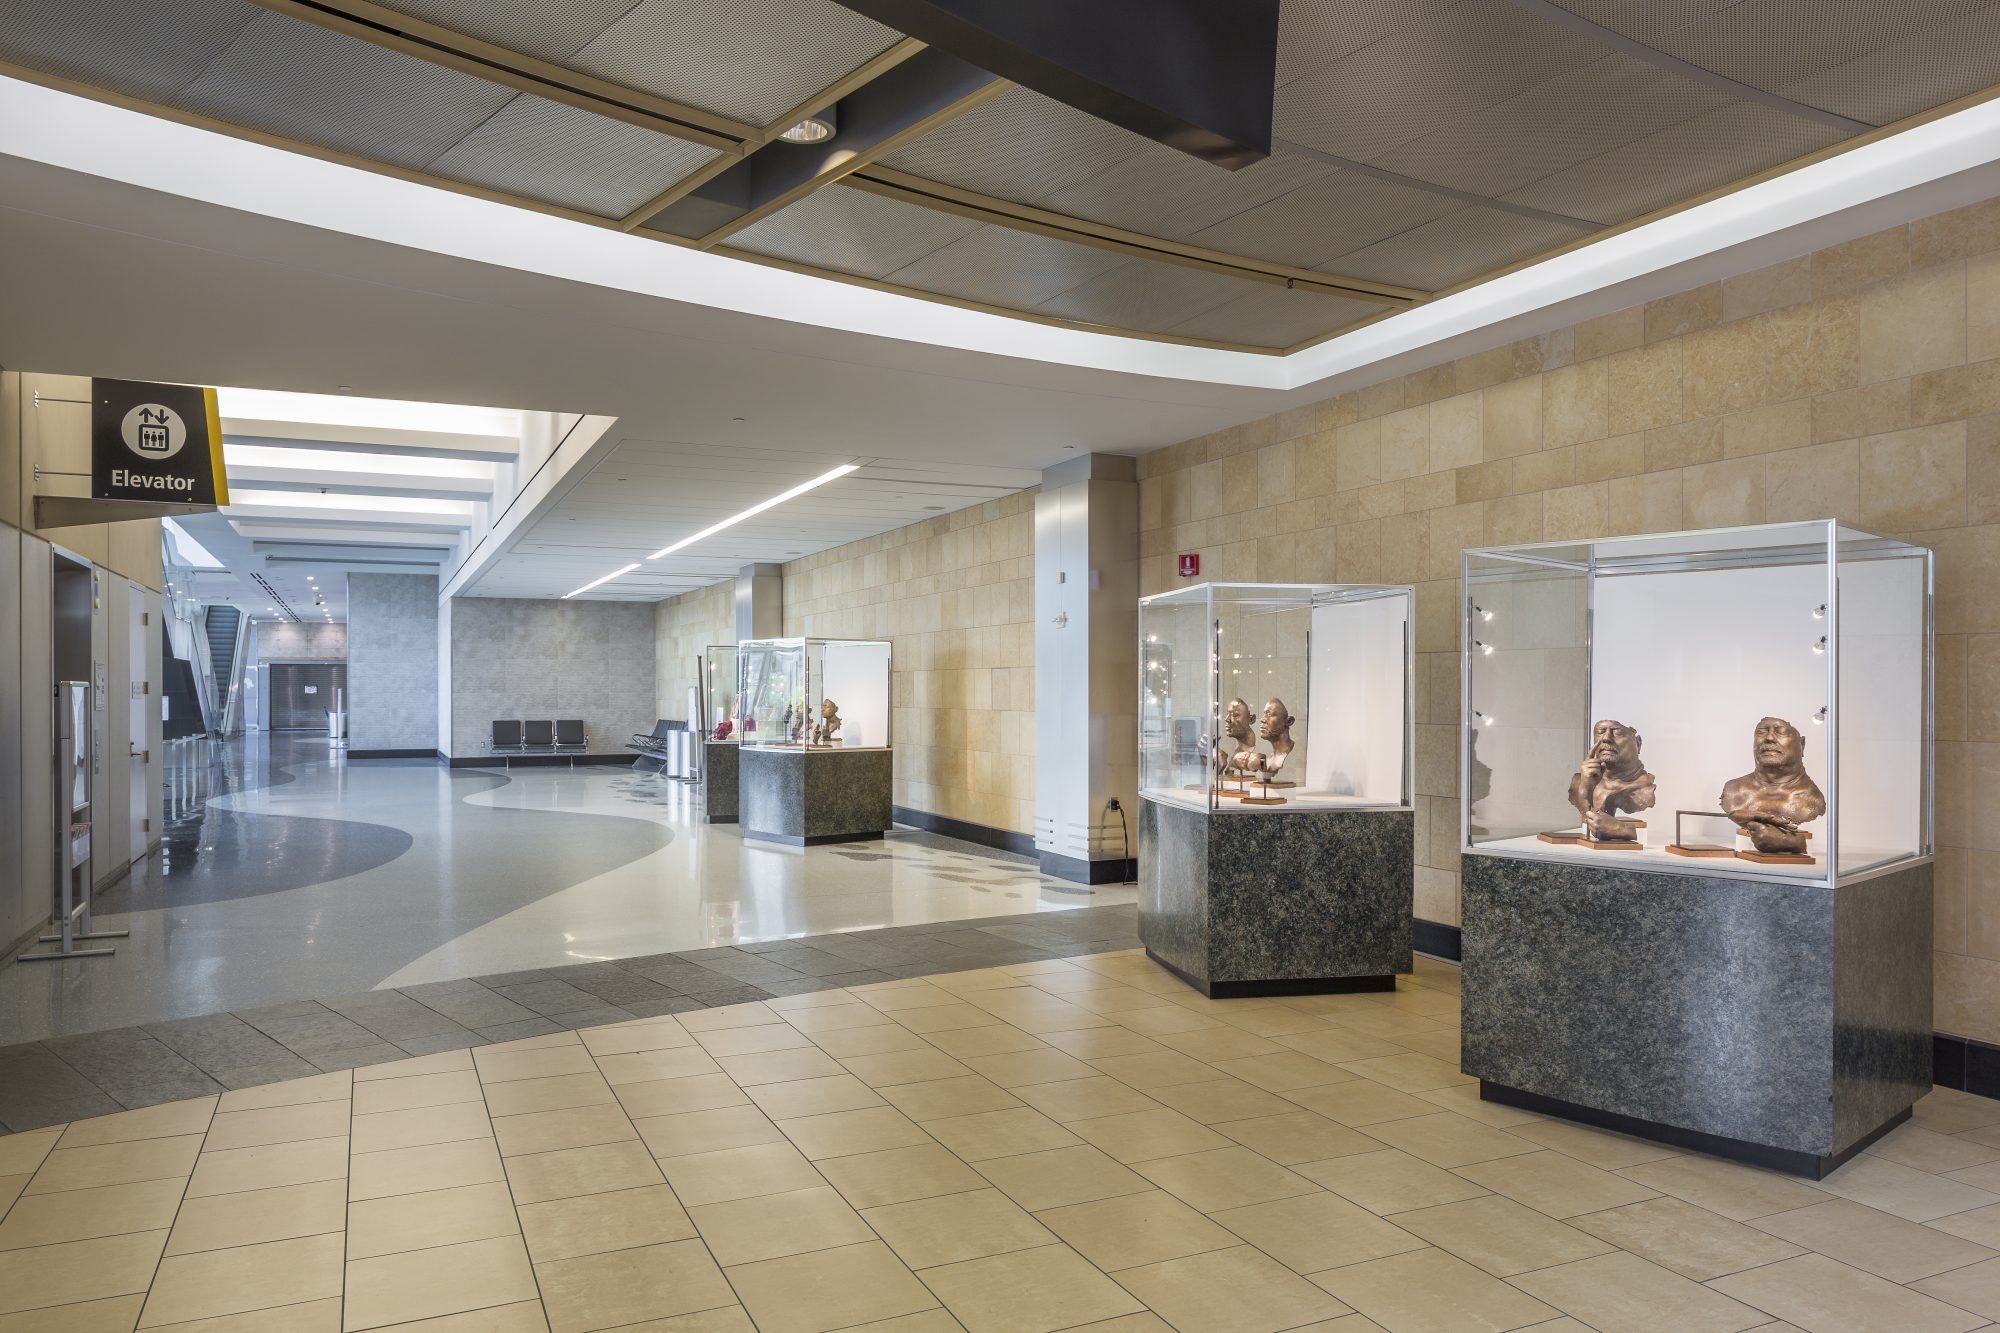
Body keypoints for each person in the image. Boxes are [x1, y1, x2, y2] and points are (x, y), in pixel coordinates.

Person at [1720, 716, 1824, 855]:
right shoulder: (1733, 791)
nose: (1769, 738)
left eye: (1780, 732)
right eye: (1761, 732)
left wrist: (1793, 842)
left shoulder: (1812, 799)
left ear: (1802, 744)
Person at [1567, 719, 1656, 841]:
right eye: (1600, 732)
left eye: (1617, 732)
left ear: (1638, 743)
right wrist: (1585, 789)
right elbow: (1586, 818)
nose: (1606, 738)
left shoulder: (1646, 790)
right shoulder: (1581, 782)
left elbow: (1647, 839)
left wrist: (1622, 830)